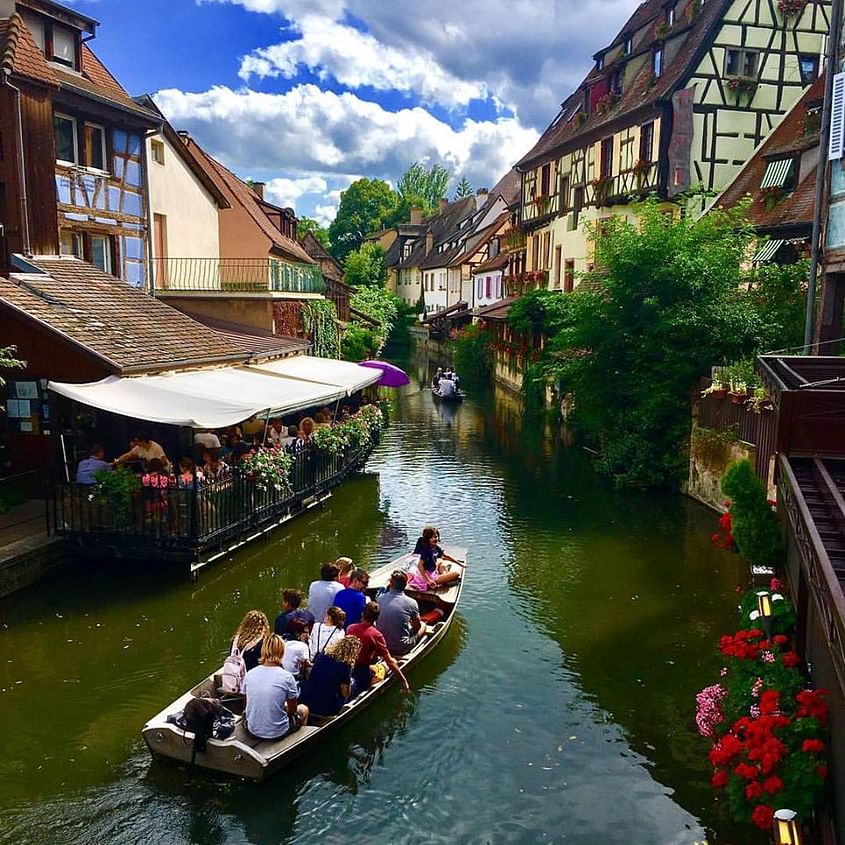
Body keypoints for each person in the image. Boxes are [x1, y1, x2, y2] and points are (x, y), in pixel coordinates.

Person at [243, 634, 309, 740]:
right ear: (282, 652)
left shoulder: (250, 673)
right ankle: (298, 740)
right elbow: (292, 711)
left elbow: (247, 704)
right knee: (304, 709)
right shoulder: (287, 677)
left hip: (252, 730)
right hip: (278, 732)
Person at [348, 601, 410, 696]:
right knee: (388, 664)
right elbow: (390, 661)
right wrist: (403, 680)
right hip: (363, 673)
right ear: (377, 618)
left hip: (350, 668)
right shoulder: (376, 635)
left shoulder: (350, 628)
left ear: (362, 614)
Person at [299, 636, 361, 718]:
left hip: (305, 699)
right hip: (327, 709)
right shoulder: (345, 665)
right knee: (353, 682)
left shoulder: (323, 655)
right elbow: (345, 693)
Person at [376, 570, 426, 656]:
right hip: (400, 648)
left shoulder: (379, 598)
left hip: (381, 645)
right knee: (423, 626)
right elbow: (417, 626)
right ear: (405, 585)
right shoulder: (411, 602)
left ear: (390, 584)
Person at [409, 526, 464, 590]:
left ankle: (444, 576)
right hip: (427, 576)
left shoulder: (435, 548)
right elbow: (419, 565)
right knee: (456, 574)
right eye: (431, 538)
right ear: (427, 539)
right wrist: (428, 580)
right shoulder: (426, 550)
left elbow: (445, 556)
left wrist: (459, 563)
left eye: (435, 537)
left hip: (431, 570)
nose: (434, 539)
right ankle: (442, 580)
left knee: (440, 561)